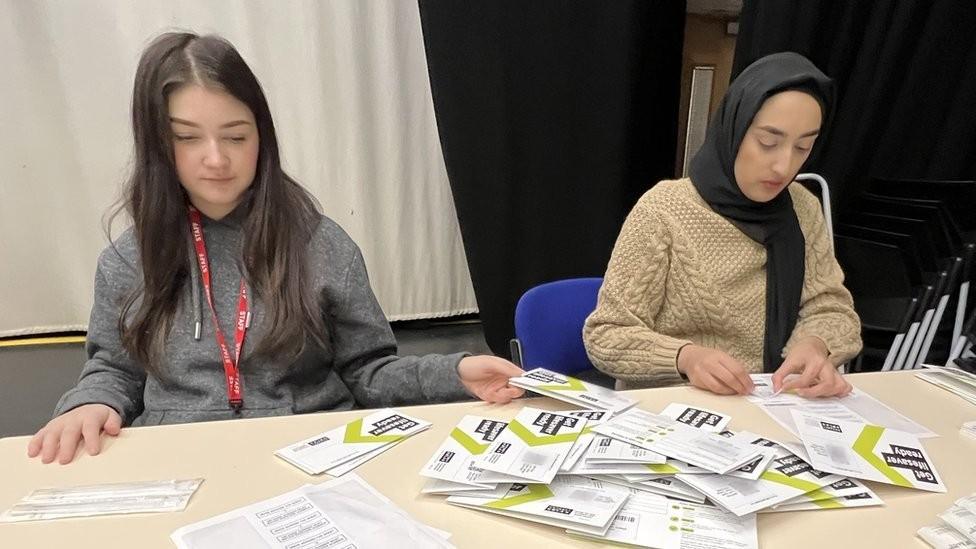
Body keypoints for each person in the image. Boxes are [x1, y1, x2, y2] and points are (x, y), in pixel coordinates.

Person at [28, 32, 524, 465]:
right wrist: (91, 403)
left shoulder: (322, 244)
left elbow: (368, 371)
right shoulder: (128, 259)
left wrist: (455, 372)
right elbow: (114, 368)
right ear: (157, 143)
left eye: (236, 136)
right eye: (187, 138)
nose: (216, 159)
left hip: (313, 451)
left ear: (261, 137)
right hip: (180, 458)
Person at [583, 52, 862, 399]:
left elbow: (832, 308)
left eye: (803, 146)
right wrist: (686, 357)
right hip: (675, 409)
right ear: (734, 126)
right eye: (768, 142)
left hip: (775, 403)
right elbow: (607, 334)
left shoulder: (802, 208)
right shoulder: (664, 211)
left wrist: (815, 344)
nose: (783, 166)